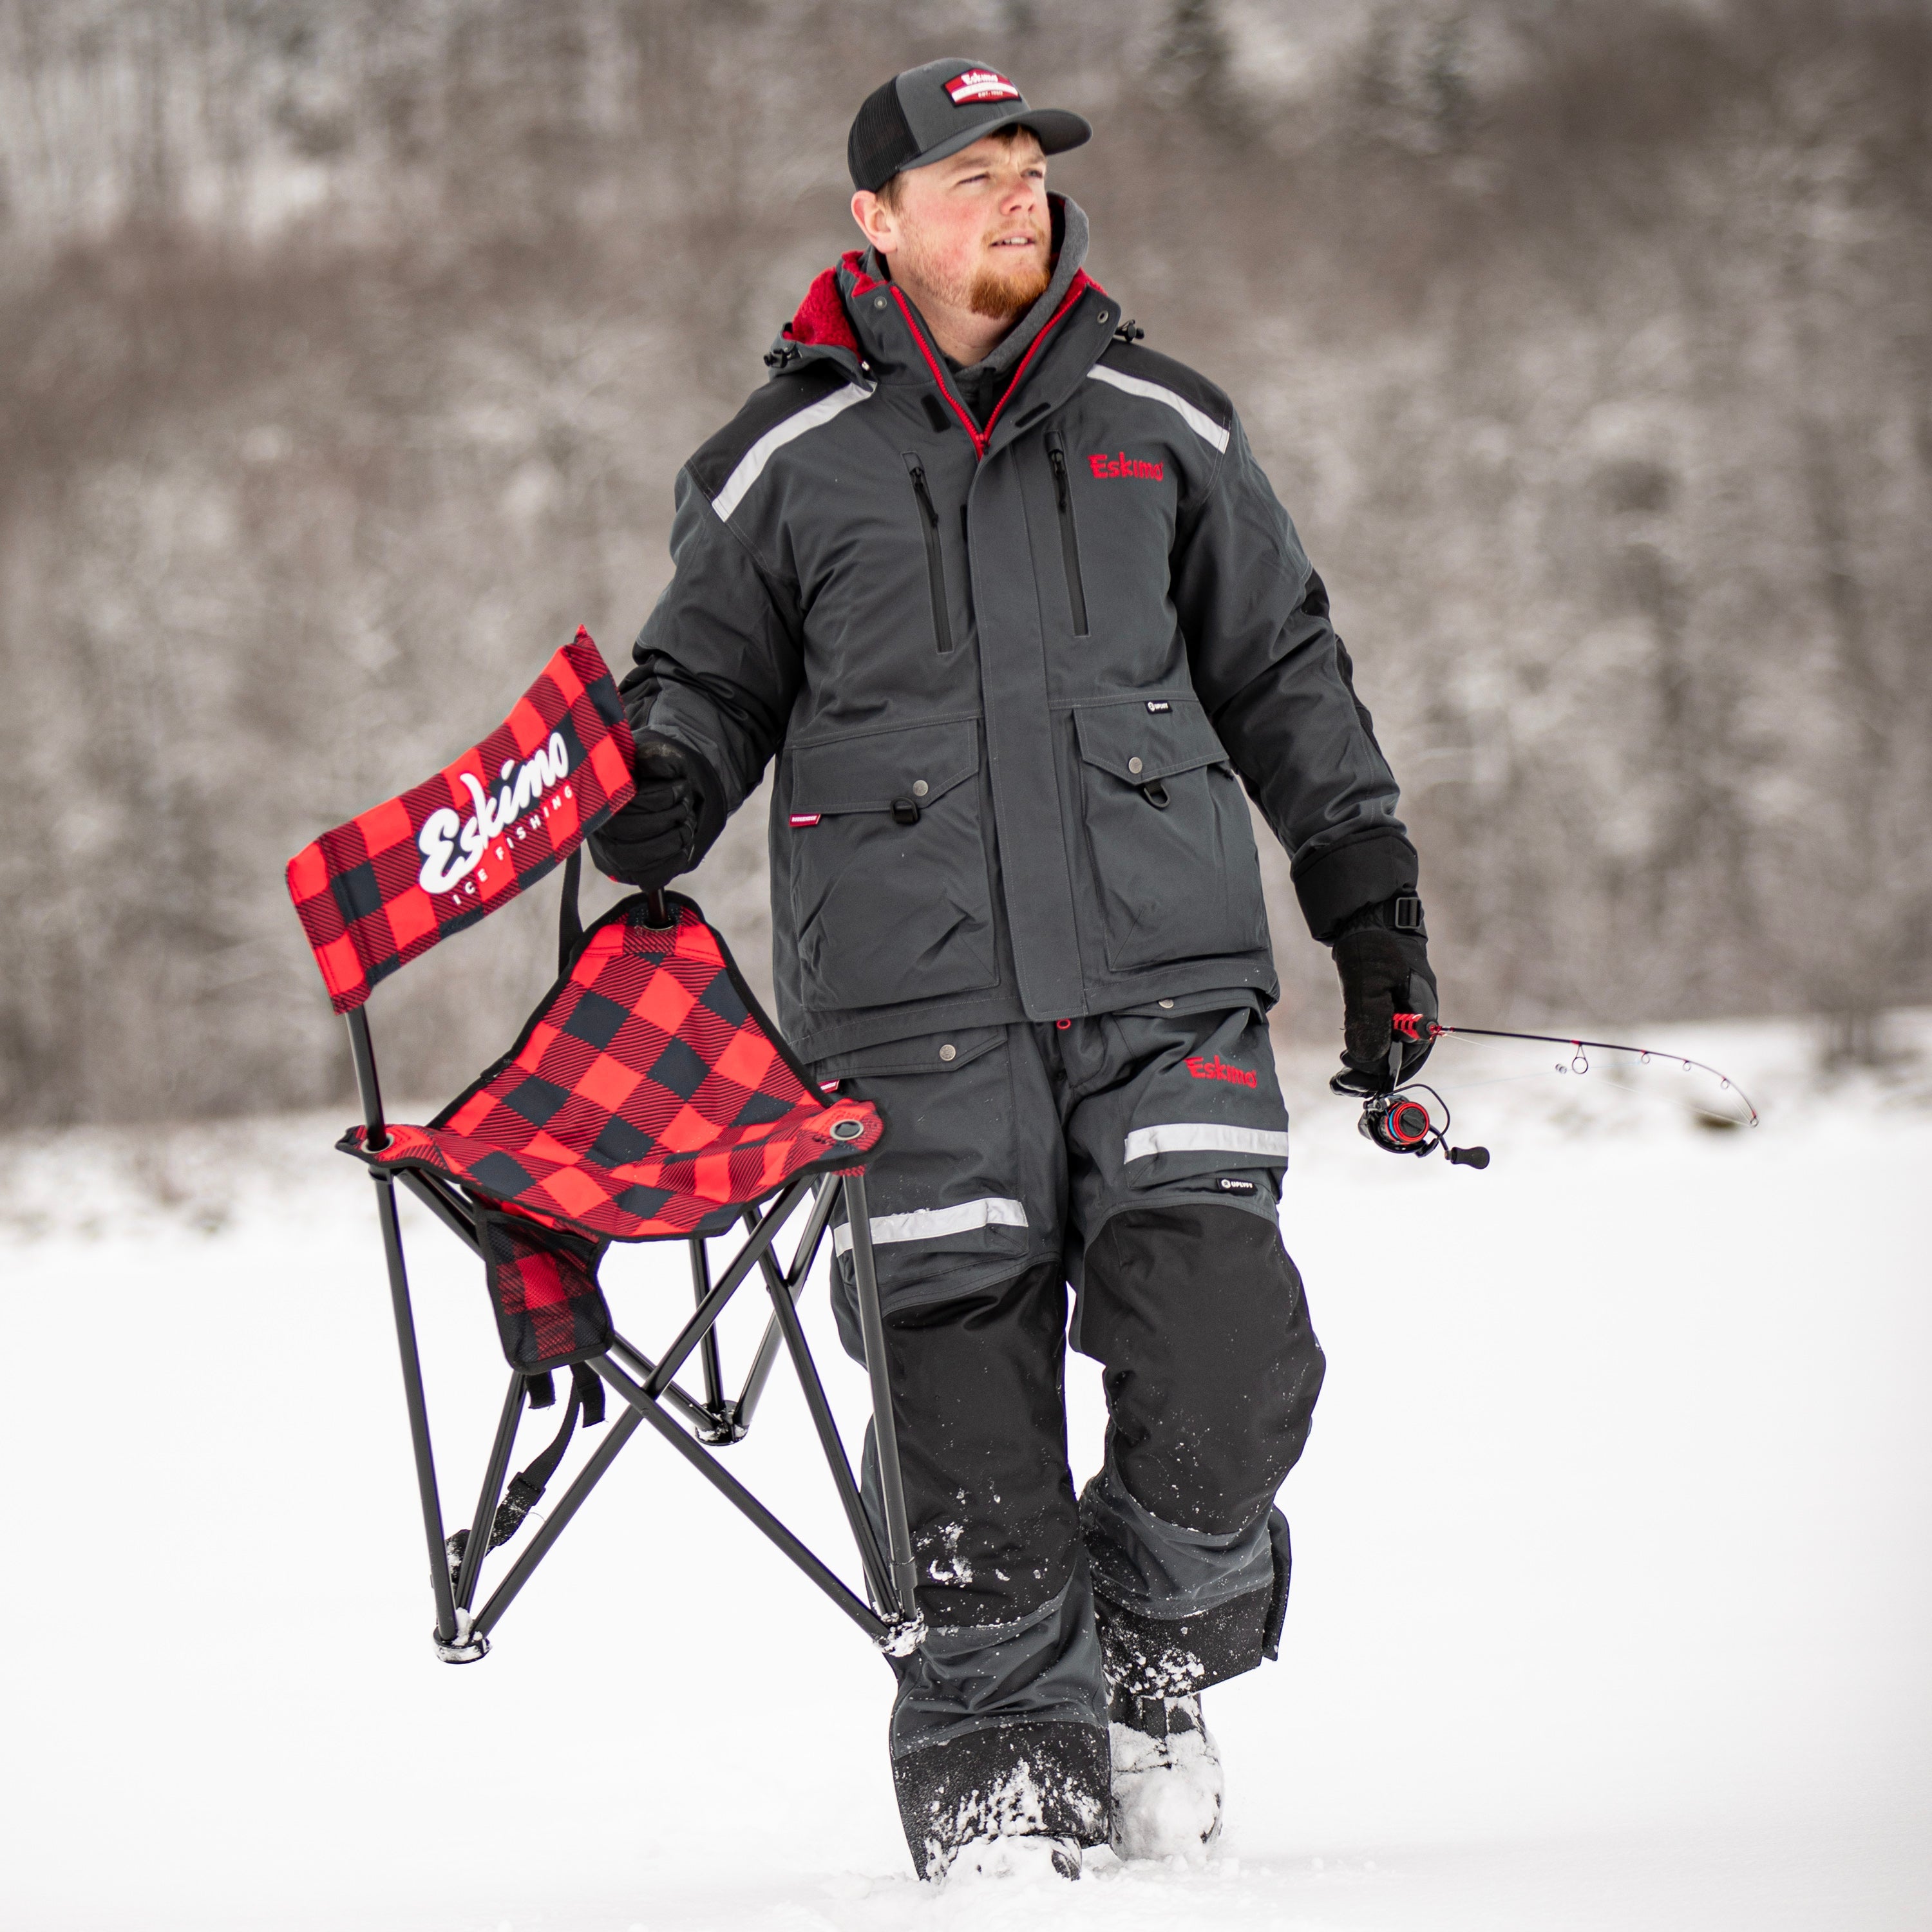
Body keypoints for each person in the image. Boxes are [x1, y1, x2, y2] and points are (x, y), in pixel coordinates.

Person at [589, 57, 1437, 1882]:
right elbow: (701, 689)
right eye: (970, 172)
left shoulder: (1165, 424)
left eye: (1030, 165)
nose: (1017, 195)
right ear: (875, 220)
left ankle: (1144, 1662)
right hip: (910, 1031)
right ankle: (1003, 1809)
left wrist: (1371, 910)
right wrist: (655, 787)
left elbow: (1287, 672)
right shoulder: (777, 465)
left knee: (1231, 1373)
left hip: (1165, 993)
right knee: (962, 1466)